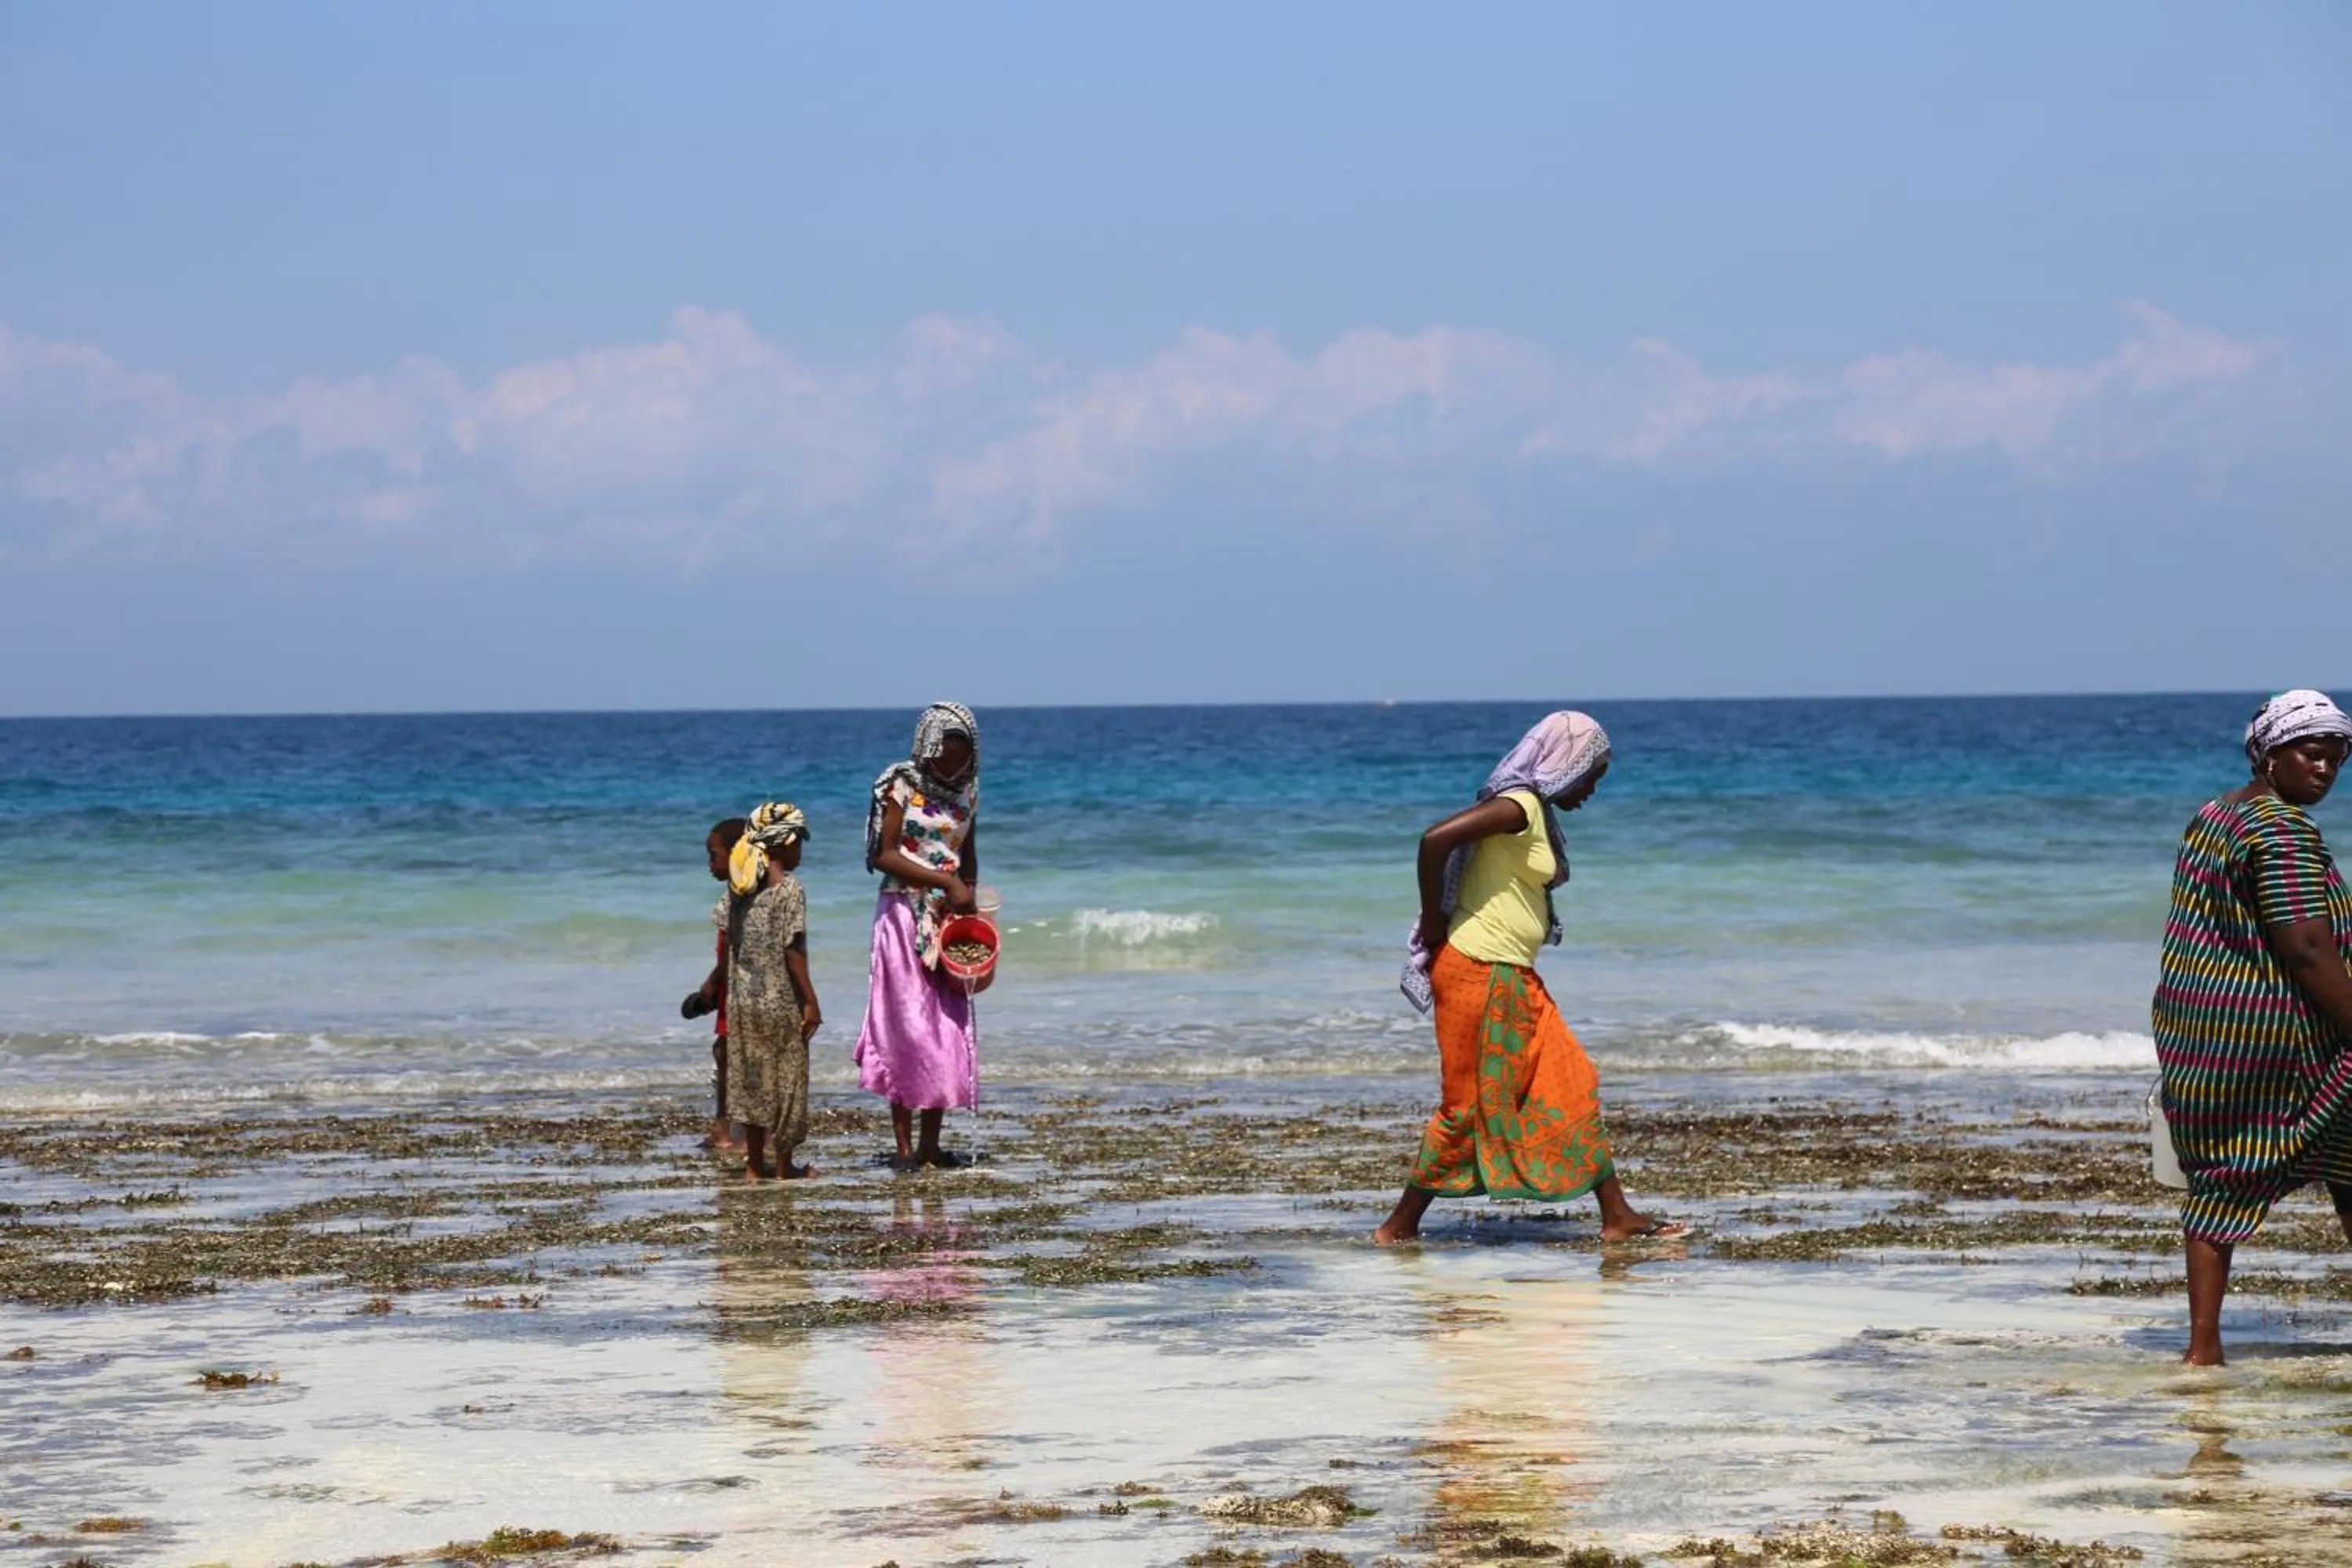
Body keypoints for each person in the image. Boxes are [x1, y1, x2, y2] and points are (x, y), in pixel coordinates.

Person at [1377, 711, 1683, 1246]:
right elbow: (1433, 841)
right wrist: (1432, 921)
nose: (1591, 789)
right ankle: (1398, 1226)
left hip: (1512, 975)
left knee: (1573, 1079)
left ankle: (1617, 1216)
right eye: (1592, 775)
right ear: (1567, 763)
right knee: (1465, 1107)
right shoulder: (1518, 805)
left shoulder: (1535, 811)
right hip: (1477, 971)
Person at [2153, 689, 2352, 1364]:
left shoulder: (2215, 817)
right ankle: (2203, 1349)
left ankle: (2203, 1348)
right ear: (2270, 755)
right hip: (2280, 1041)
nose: (2325, 769)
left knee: (2219, 1180)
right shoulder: (2282, 831)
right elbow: (2307, 949)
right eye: (2312, 753)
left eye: (2337, 759)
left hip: (2205, 1034)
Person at [855, 702, 982, 1171]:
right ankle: (904, 1147)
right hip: (903, 914)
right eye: (944, 753)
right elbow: (883, 854)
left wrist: (968, 897)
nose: (951, 764)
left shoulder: (969, 790)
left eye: (960, 756)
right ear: (927, 746)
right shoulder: (899, 784)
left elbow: (968, 852)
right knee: (906, 1026)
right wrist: (942, 881)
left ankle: (932, 1145)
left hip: (947, 919)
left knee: (944, 1028)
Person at [723, 802, 822, 1181]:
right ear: (784, 843)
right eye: (800, 842)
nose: (802, 852)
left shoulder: (738, 889)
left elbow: (728, 939)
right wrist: (810, 1000)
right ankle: (783, 1167)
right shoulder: (790, 889)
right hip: (781, 1001)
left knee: (753, 1080)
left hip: (744, 1001)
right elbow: (791, 949)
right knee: (787, 1081)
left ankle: (753, 1166)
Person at [682, 817, 748, 1153]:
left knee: (733, 1055)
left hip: (740, 991)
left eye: (714, 855)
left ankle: (735, 1132)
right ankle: (725, 1128)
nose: (710, 864)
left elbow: (734, 951)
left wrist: (710, 985)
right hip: (731, 989)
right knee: (725, 1053)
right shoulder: (736, 894)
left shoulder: (743, 896)